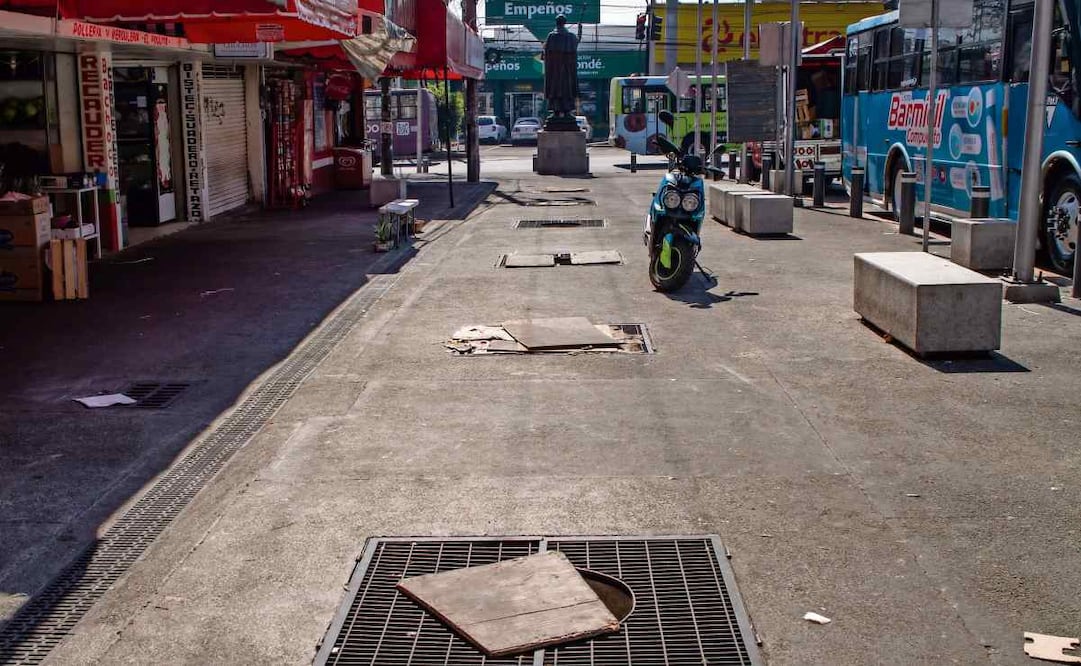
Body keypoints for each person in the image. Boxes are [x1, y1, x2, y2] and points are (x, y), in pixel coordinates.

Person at [541, 15, 579, 129]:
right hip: (567, 71)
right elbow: (575, 47)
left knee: (555, 89)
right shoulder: (571, 36)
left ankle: (556, 112)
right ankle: (566, 112)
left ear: (556, 23)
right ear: (565, 23)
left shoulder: (551, 36)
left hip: (554, 71)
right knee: (566, 89)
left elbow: (545, 53)